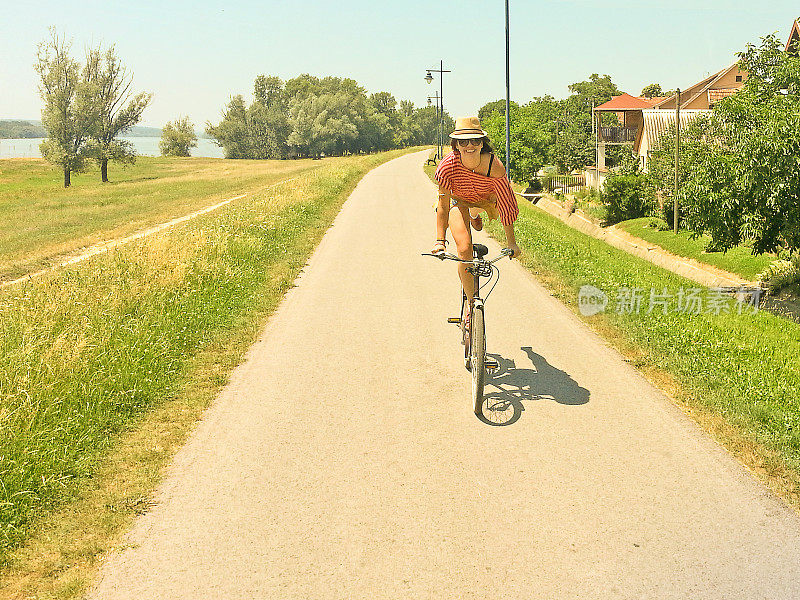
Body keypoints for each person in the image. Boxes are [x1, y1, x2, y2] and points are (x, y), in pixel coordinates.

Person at [432, 115, 522, 303]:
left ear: (482, 144)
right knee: (464, 250)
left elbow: (506, 204)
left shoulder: (494, 166)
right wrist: (440, 241)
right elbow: (443, 204)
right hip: (459, 201)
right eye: (463, 142)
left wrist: (511, 243)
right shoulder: (447, 167)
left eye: (475, 140)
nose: (469, 145)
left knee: (479, 219)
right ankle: (472, 304)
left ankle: (475, 214)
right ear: (456, 145)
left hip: (486, 200)